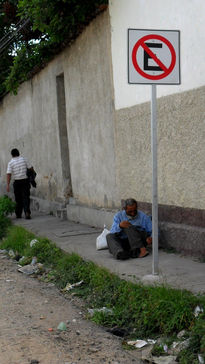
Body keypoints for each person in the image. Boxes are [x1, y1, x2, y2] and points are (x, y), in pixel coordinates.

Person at [6, 148, 34, 219]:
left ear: (12, 155)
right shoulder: (24, 159)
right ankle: (27, 212)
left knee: (18, 199)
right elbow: (30, 168)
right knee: (26, 197)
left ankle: (18, 214)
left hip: (17, 182)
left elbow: (9, 174)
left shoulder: (10, 162)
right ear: (19, 153)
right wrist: (32, 175)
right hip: (25, 181)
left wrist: (8, 185)